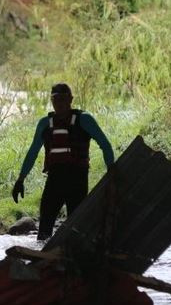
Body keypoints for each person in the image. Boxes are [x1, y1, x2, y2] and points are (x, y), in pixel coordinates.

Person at [12, 83, 114, 240]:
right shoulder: (45, 123)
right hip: (55, 180)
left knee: (76, 227)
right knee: (45, 226)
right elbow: (33, 152)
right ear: (51, 101)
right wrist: (20, 179)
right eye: (55, 99)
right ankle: (43, 259)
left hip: (78, 180)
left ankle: (73, 256)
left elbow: (105, 145)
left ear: (71, 99)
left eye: (63, 99)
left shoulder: (84, 119)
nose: (59, 103)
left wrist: (111, 172)